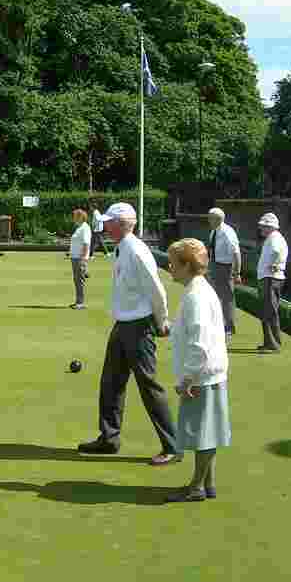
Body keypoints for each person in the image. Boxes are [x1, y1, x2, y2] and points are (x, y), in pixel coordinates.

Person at [78, 202, 179, 466]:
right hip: (123, 324)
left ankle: (173, 446)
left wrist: (162, 320)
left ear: (122, 224)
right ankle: (109, 438)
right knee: (110, 382)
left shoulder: (136, 250)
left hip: (139, 326)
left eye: (110, 222)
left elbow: (157, 289)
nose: (106, 226)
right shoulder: (122, 248)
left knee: (149, 385)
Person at [165, 238, 230, 503]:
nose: (170, 267)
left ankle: (196, 487)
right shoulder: (199, 289)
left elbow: (199, 343)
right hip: (208, 373)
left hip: (201, 376)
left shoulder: (195, 295)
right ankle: (208, 483)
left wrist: (188, 378)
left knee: (203, 433)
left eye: (174, 263)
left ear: (187, 266)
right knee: (208, 430)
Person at [206, 207, 242, 341]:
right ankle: (218, 324)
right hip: (215, 265)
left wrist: (237, 272)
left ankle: (229, 328)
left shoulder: (228, 233)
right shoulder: (214, 232)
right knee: (215, 297)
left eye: (210, 218)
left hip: (225, 267)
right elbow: (211, 250)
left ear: (218, 219)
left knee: (227, 299)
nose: (208, 220)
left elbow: (236, 253)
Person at [256, 212, 288, 353]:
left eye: (263, 226)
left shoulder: (274, 238)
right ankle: (270, 343)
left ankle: (273, 344)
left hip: (270, 278)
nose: (261, 228)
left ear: (270, 226)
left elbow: (275, 251)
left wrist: (273, 264)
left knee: (269, 311)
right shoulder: (273, 237)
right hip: (270, 277)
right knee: (268, 311)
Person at [69, 207, 91, 309]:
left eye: (74, 217)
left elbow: (86, 244)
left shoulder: (85, 228)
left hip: (79, 258)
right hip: (75, 257)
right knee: (77, 280)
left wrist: (83, 259)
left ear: (80, 217)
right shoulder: (80, 227)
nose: (73, 219)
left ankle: (80, 303)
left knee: (79, 280)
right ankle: (78, 301)